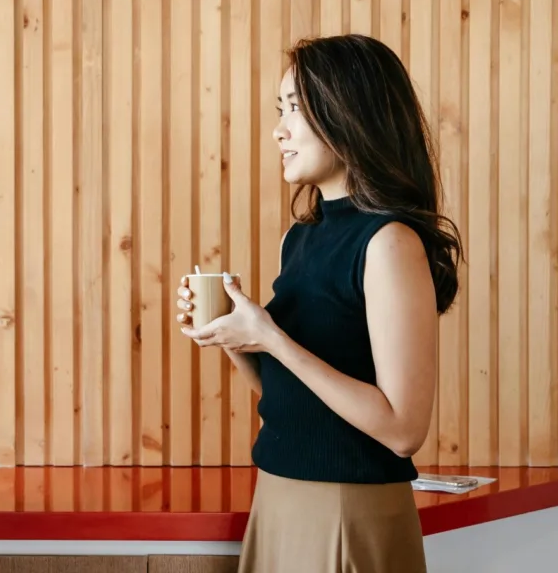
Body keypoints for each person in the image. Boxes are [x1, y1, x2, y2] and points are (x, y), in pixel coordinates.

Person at [177, 34, 462, 573]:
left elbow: (403, 430)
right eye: (279, 109)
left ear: (348, 116)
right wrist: (236, 336)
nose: (278, 130)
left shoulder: (389, 243)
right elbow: (296, 396)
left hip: (346, 510)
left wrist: (271, 338)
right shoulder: (299, 238)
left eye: (295, 110)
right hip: (279, 495)